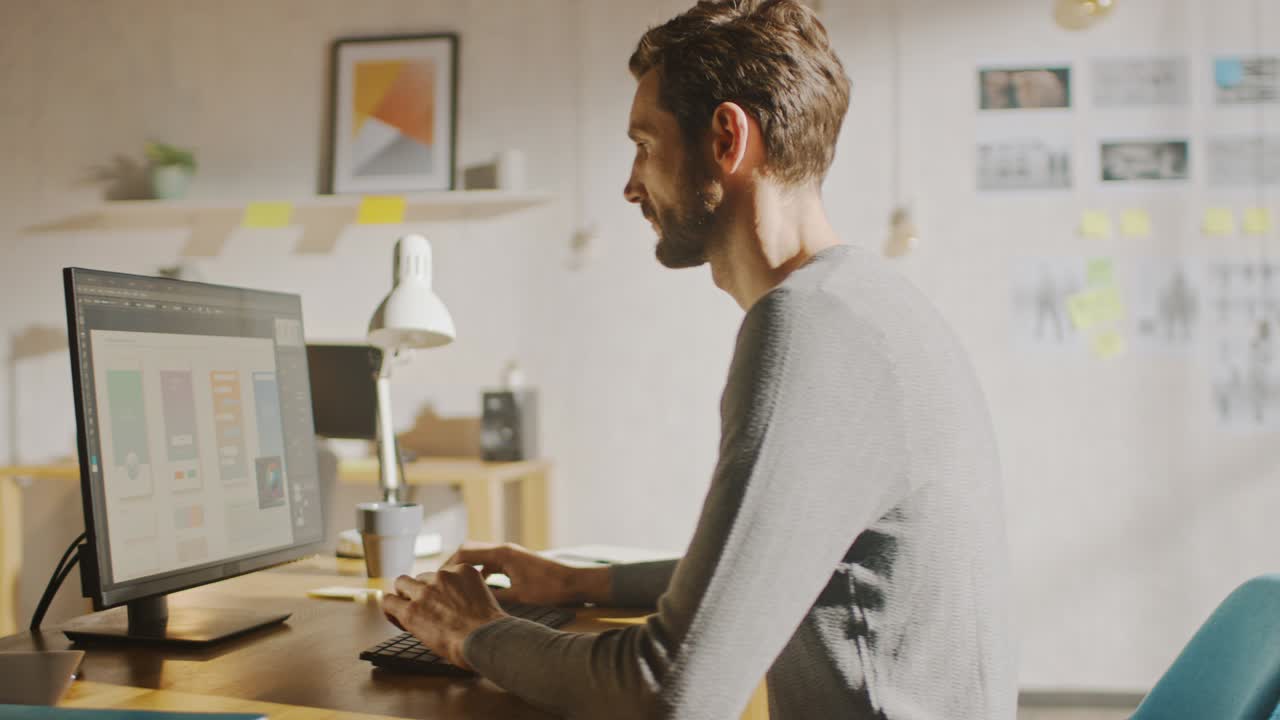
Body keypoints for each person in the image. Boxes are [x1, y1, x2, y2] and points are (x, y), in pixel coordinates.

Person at [380, 1, 1016, 717]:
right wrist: (579, 585)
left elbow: (668, 688)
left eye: (644, 144)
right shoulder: (866, 305)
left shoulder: (810, 327)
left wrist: (476, 634)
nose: (630, 183)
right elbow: (770, 570)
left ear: (725, 138)